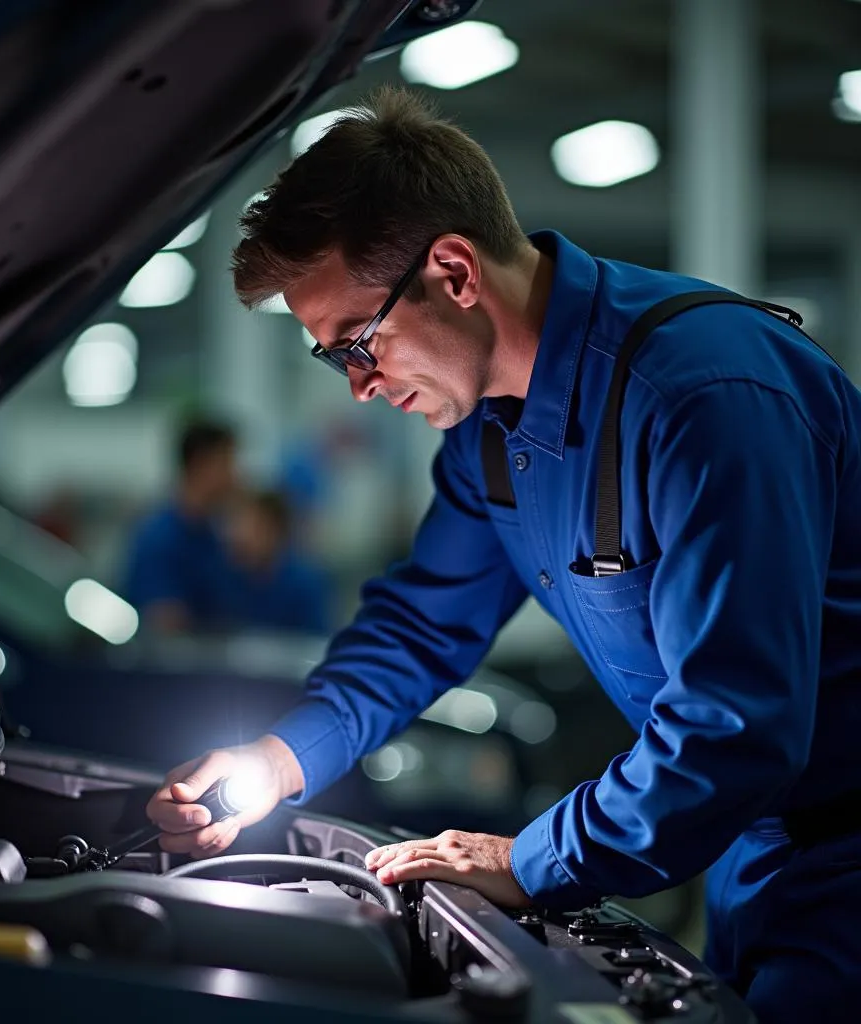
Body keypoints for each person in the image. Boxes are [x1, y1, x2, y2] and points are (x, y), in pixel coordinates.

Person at [146, 88, 861, 1022]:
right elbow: (419, 626)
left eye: (357, 346)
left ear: (454, 271)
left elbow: (737, 725)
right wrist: (284, 756)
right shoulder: (491, 435)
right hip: (746, 849)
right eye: (336, 360)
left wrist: (529, 859)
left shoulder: (705, 399)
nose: (359, 388)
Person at [122, 419, 239, 634]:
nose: (235, 475)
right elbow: (164, 626)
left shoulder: (213, 535)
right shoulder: (158, 538)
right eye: (227, 463)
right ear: (200, 463)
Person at [226, 488, 332, 634]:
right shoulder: (229, 577)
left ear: (277, 531)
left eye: (256, 528)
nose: (244, 536)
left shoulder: (305, 584)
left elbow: (316, 644)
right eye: (240, 525)